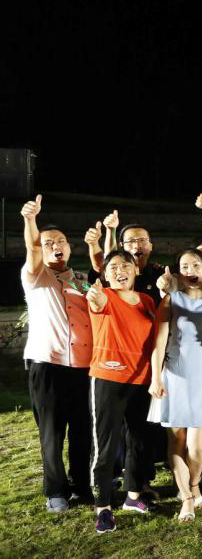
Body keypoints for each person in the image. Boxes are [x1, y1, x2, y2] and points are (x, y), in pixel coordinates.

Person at [19, 195, 93, 514]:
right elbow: (33, 249)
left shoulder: (82, 281)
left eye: (60, 241)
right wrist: (30, 220)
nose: (54, 246)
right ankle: (56, 490)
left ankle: (81, 486)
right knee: (51, 433)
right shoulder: (36, 276)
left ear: (69, 247)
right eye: (48, 243)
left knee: (82, 431)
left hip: (83, 368)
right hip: (47, 366)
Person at [85, 250, 158, 533]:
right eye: (113, 267)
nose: (120, 271)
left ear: (136, 270)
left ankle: (133, 496)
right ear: (105, 274)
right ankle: (103, 507)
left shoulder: (148, 301)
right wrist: (96, 295)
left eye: (125, 265)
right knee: (105, 445)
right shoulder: (104, 296)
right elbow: (97, 300)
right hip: (108, 378)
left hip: (141, 380)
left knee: (139, 440)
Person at [148, 250, 202, 522]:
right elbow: (159, 341)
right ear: (178, 272)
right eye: (185, 266)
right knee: (177, 441)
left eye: (196, 265)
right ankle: (188, 498)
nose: (191, 271)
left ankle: (193, 483)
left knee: (197, 445)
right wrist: (156, 378)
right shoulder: (171, 300)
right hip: (175, 375)